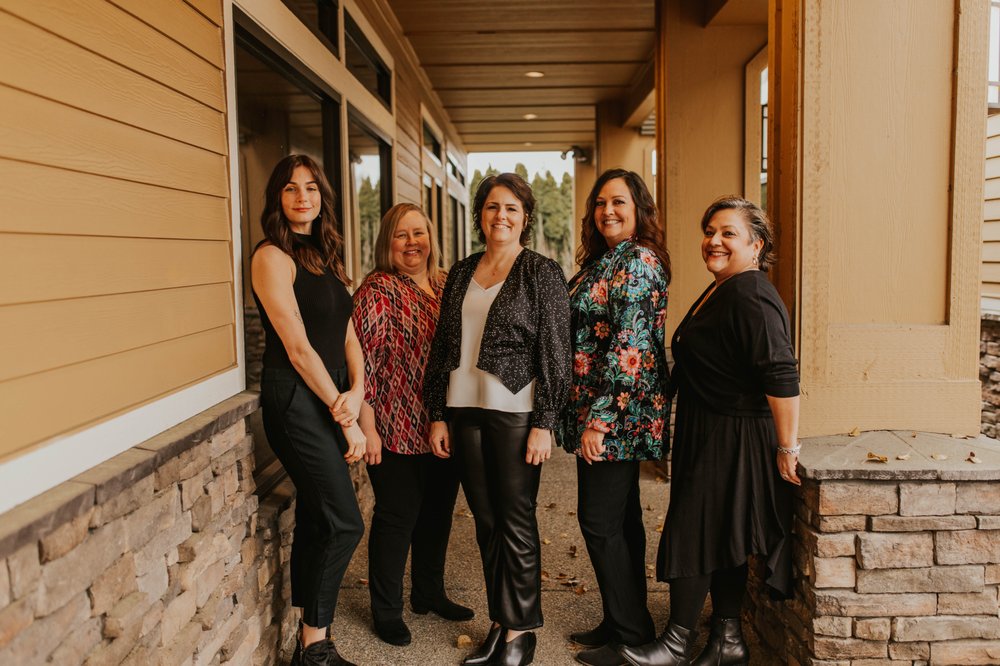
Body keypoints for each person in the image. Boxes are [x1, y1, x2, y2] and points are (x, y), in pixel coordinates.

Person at [620, 196, 800, 666]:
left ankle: (676, 642)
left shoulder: (751, 294)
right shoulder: (723, 288)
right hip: (710, 427)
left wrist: (787, 447)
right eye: (710, 231)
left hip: (734, 434)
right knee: (722, 535)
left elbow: (781, 372)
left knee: (695, 530)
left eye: (728, 233)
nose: (714, 241)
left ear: (756, 245)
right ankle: (727, 640)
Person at [424, 172, 571, 666]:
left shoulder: (541, 272)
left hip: (515, 410)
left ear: (525, 217)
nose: (500, 216)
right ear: (480, 215)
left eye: (510, 208)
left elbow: (556, 352)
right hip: (463, 407)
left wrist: (545, 422)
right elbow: (443, 344)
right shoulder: (463, 271)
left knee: (515, 519)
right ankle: (501, 620)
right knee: (486, 521)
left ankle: (521, 631)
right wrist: (437, 414)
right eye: (491, 207)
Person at [251, 154, 366, 666]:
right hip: (296, 398)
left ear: (323, 197)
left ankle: (312, 643)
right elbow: (298, 348)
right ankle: (314, 645)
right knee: (345, 521)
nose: (303, 197)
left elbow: (348, 334)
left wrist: (358, 391)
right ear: (277, 198)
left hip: (332, 392)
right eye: (291, 188)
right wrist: (347, 417)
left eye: (312, 187)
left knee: (321, 516)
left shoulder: (325, 255)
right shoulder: (271, 257)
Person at [558, 169, 671, 666]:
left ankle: (630, 636)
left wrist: (599, 421)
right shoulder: (606, 260)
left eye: (619, 202)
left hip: (618, 419)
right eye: (601, 202)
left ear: (639, 208)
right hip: (606, 413)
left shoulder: (639, 261)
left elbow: (631, 346)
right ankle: (623, 618)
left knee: (600, 522)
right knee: (622, 522)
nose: (608, 211)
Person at [353, 203, 474, 647]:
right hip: (394, 424)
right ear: (387, 241)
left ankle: (428, 592)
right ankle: (386, 611)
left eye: (418, 233)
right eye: (401, 234)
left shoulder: (446, 284)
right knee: (396, 518)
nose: (411, 243)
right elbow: (362, 367)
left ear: (430, 238)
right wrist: (368, 428)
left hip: (445, 422)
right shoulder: (376, 291)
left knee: (438, 514)